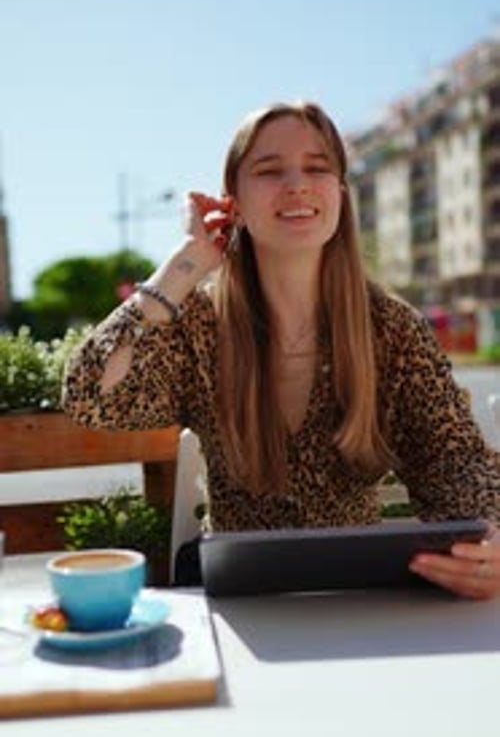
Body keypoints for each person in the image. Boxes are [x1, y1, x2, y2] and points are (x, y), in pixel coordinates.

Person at [62, 100, 500, 599]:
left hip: (362, 601)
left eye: (317, 167)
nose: (297, 184)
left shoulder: (391, 327)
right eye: (270, 170)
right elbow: (92, 396)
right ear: (234, 204)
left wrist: (485, 540)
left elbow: (454, 460)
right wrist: (186, 264)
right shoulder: (200, 326)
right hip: (240, 606)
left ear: (340, 194)